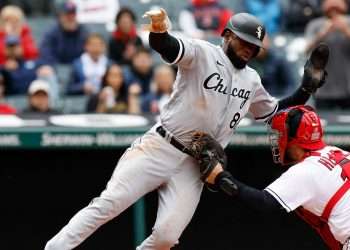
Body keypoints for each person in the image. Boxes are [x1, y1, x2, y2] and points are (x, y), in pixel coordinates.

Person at [44, 9, 328, 250]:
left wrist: (305, 90)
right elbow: (167, 46)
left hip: (196, 165)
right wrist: (157, 30)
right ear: (227, 35)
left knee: (167, 237)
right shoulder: (203, 52)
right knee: (109, 204)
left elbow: (274, 113)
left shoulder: (252, 80)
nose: (248, 48)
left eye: (253, 45)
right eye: (243, 41)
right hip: (161, 146)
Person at [192, 105, 350, 250]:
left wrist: (220, 177)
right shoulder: (338, 152)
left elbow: (264, 202)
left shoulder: (306, 170)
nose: (278, 138)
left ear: (296, 140)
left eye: (281, 133)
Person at [305, 0, 350, 109]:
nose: (333, 4)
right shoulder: (315, 24)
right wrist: (324, 32)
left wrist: (346, 30)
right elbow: (307, 50)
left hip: (347, 87)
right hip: (323, 89)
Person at [39, 1, 89, 66]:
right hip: (57, 68)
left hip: (78, 68)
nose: (70, 18)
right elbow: (46, 53)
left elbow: (88, 54)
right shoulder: (51, 32)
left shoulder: (83, 32)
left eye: (73, 14)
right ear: (60, 16)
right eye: (67, 14)